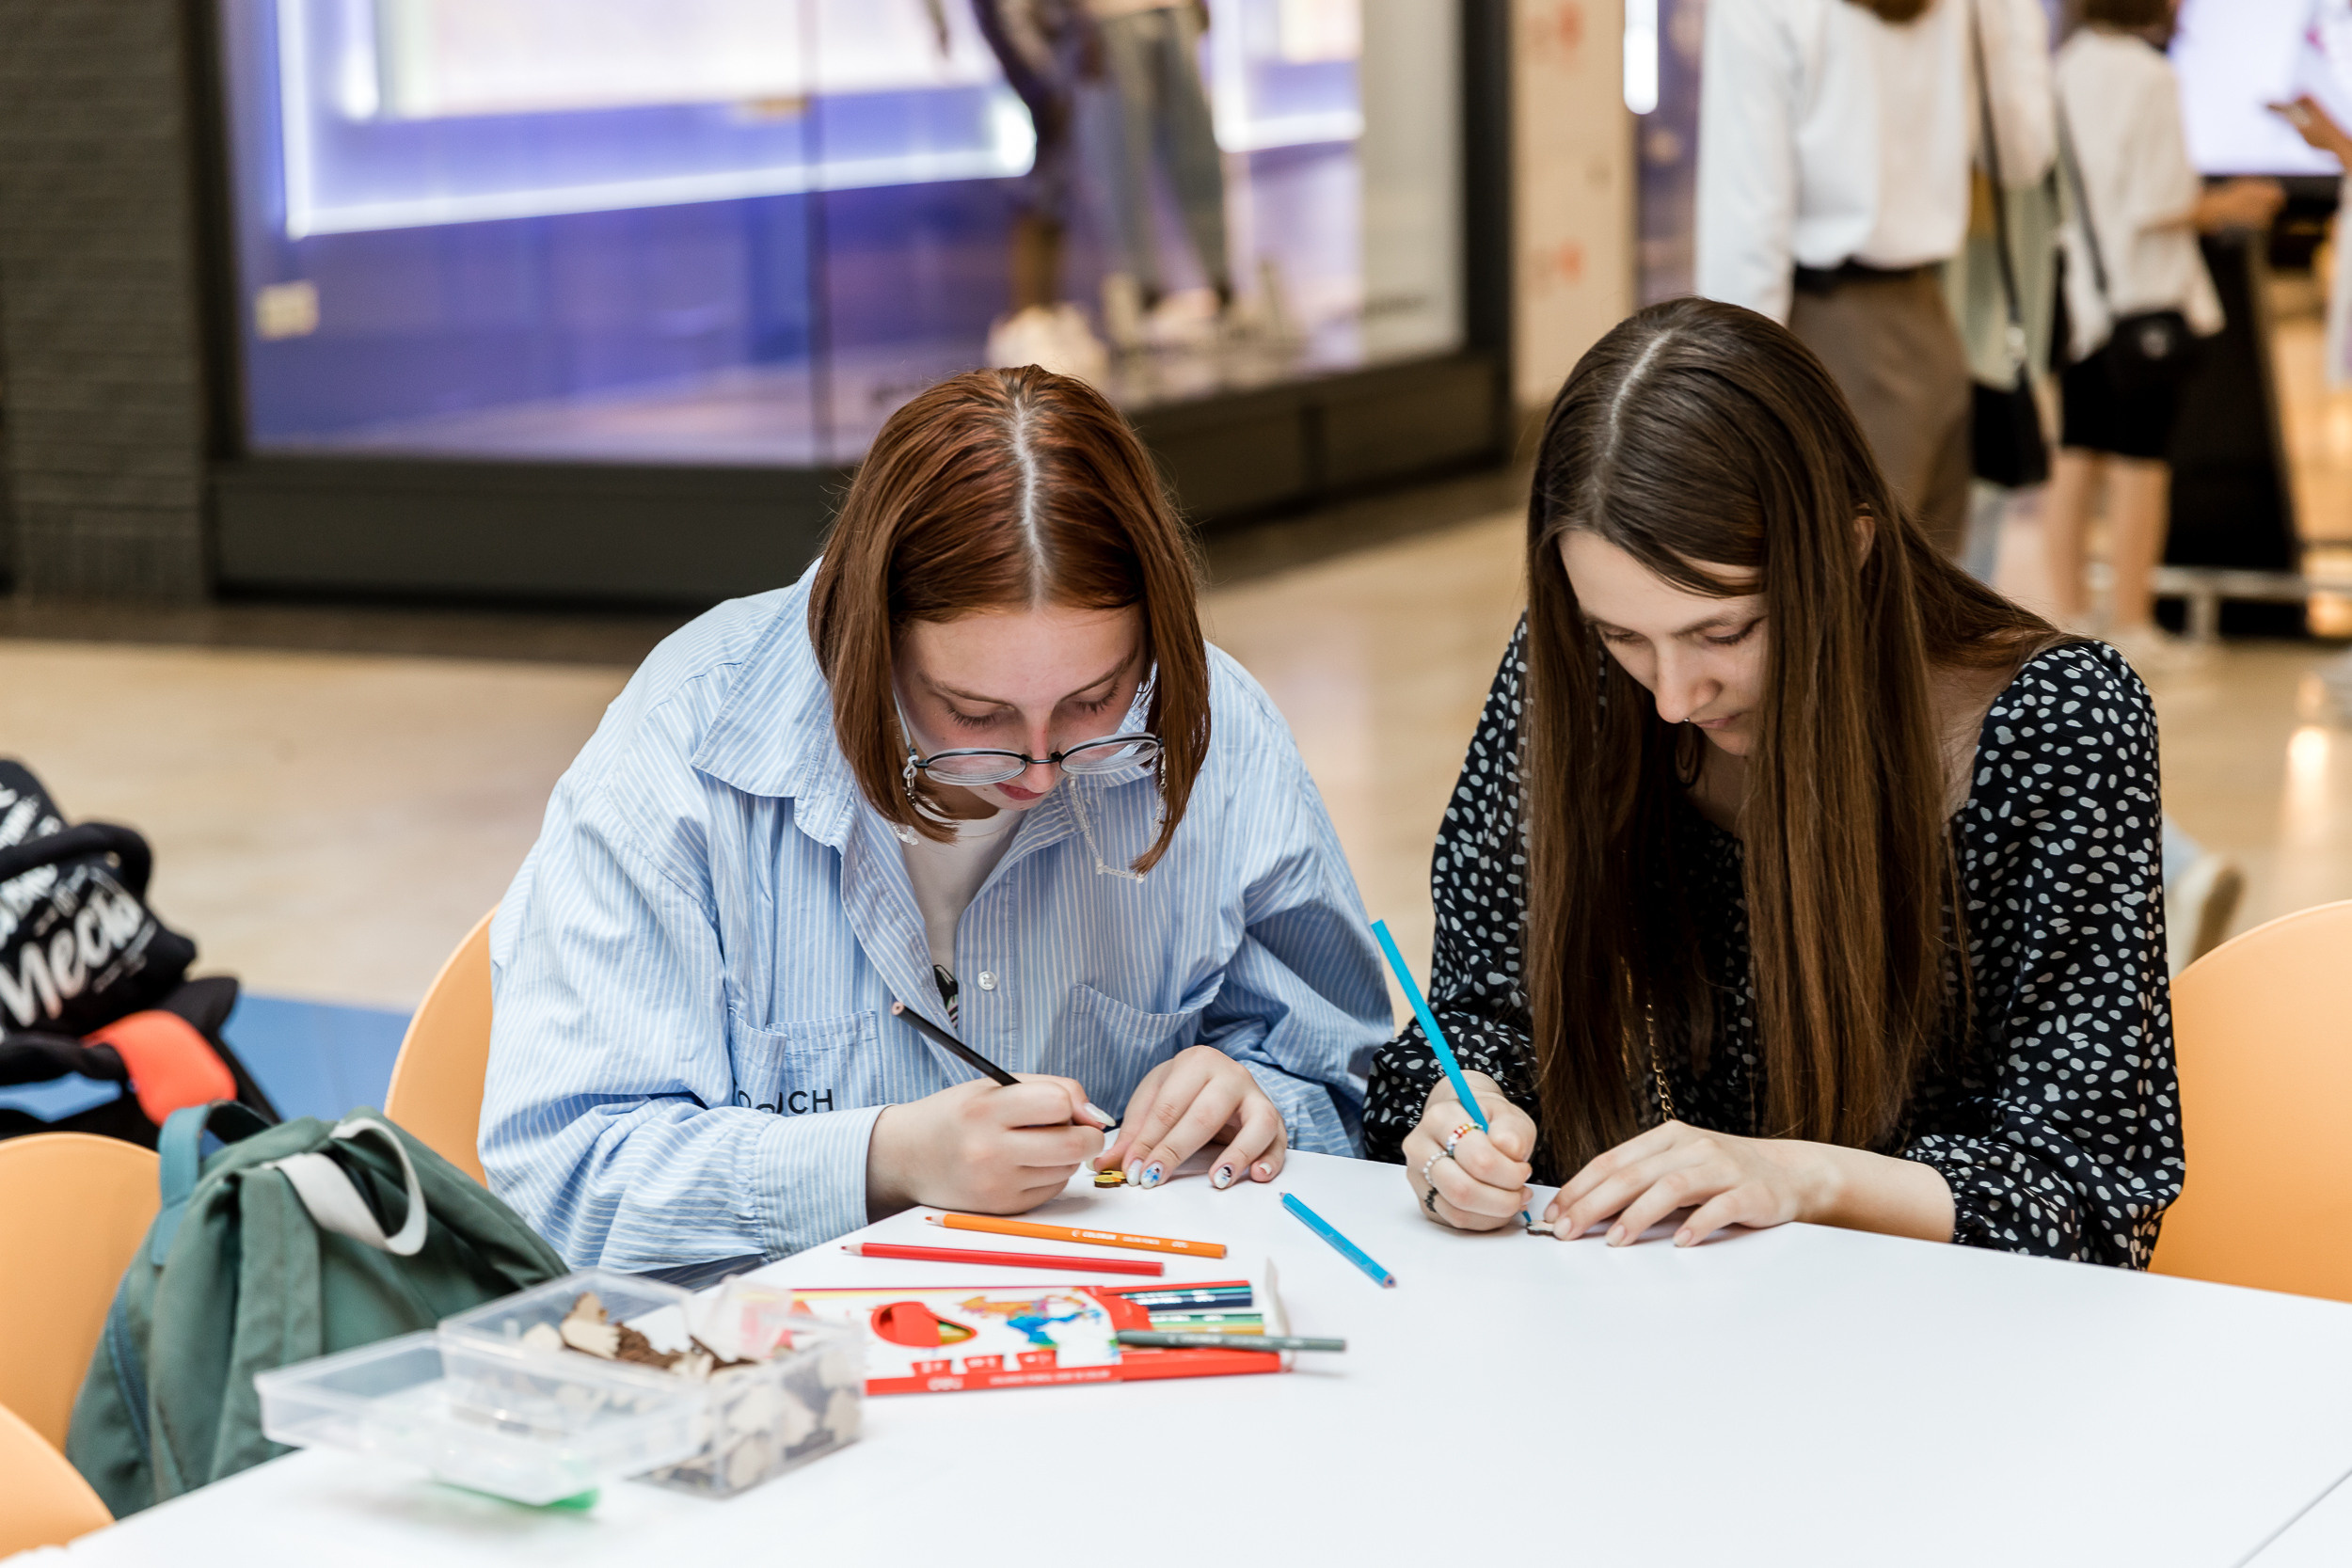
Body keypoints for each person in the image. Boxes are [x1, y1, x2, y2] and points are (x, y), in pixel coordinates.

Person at [483, 366, 1388, 1276]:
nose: (1038, 771)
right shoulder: (686, 742)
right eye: (973, 712)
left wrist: (1256, 1099)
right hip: (785, 1367)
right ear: (870, 638)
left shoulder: (1214, 725)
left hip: (1120, 1342)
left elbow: (1342, 1079)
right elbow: (560, 1178)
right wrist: (884, 1160)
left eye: (1093, 700)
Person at [1363, 298, 2181, 1265]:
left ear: (1850, 548)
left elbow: (2087, 1195)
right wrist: (1459, 1123)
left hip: (1938, 1348)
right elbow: (1476, 1016)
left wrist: (1804, 1176)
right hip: (1641, 1314)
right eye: (1621, 634)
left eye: (1724, 632)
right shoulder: (1573, 678)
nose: (1672, 696)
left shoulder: (2054, 722)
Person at [1696, 0, 2054, 559]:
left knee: (1832, 598)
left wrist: (1721, 399)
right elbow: (2023, 154)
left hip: (1822, 335)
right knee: (1917, 604)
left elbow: (1748, 226)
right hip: (1930, 326)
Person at [2041, 0, 2282, 670]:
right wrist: (2233, 203)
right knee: (2141, 468)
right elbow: (2160, 198)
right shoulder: (2149, 77)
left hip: (2079, 298)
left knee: (2076, 454)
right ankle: (2133, 621)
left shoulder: (2063, 69)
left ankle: (2067, 616)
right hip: (2143, 302)